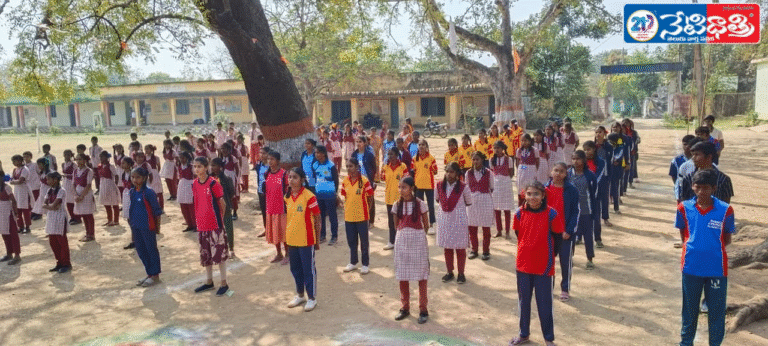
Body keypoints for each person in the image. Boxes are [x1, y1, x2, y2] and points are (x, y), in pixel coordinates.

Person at [676, 169, 734, 346]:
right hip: (691, 267)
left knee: (716, 311)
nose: (701, 191)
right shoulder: (683, 208)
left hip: (716, 269)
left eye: (706, 188)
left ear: (714, 188)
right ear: (692, 187)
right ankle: (686, 343)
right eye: (697, 187)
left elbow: (727, 239)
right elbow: (684, 234)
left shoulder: (726, 210)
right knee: (689, 310)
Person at [510, 181, 563, 346]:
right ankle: (523, 333)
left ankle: (548, 338)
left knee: (544, 303)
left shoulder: (551, 214)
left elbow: (558, 237)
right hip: (523, 265)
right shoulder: (519, 213)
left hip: (544, 267)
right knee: (523, 301)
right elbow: (519, 233)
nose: (532, 198)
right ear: (524, 195)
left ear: (543, 196)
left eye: (536, 194)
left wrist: (549, 256)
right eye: (529, 194)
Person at [392, 176, 431, 324]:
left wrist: (417, 236)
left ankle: (423, 309)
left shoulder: (421, 204)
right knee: (403, 275)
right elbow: (396, 225)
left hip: (418, 241)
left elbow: (426, 225)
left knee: (421, 276)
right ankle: (405, 307)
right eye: (399, 187)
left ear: (412, 188)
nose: (401, 190)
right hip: (402, 241)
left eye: (404, 187)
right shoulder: (396, 205)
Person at [191, 157, 231, 296]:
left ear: (206, 167)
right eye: (195, 166)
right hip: (202, 226)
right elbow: (196, 203)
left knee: (219, 255)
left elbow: (223, 204)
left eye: (199, 166)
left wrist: (219, 219)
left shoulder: (213, 183)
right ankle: (209, 282)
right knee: (206, 255)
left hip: (215, 225)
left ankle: (224, 283)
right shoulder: (195, 183)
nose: (197, 169)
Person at [284, 167, 321, 312]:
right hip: (292, 238)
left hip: (306, 239)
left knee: (308, 269)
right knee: (295, 269)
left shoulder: (309, 196)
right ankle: (300, 295)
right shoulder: (287, 197)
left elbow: (317, 219)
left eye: (294, 177)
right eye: (290, 177)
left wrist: (317, 240)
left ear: (302, 180)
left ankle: (312, 298)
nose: (291, 180)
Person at [546, 162, 579, 302]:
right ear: (551, 172)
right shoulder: (544, 189)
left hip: (565, 233)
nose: (558, 174)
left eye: (561, 171)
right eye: (556, 170)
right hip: (549, 232)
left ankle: (565, 288)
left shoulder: (571, 190)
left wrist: (569, 230)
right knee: (548, 262)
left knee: (565, 262)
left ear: (566, 174)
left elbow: (575, 212)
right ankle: (548, 287)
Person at [124, 167, 163, 287]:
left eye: (138, 177)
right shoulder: (132, 192)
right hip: (136, 226)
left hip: (147, 226)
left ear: (144, 178)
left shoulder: (149, 193)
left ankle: (155, 275)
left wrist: (157, 228)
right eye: (132, 177)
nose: (135, 180)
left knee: (151, 250)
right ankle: (149, 273)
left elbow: (157, 212)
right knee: (141, 250)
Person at [435, 162, 472, 284]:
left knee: (460, 248)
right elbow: (437, 199)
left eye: (452, 172)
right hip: (444, 221)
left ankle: (461, 273)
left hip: (459, 221)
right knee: (447, 248)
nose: (449, 174)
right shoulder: (439, 185)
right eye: (447, 171)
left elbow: (468, 202)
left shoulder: (463, 187)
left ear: (457, 173)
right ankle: (449, 272)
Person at [340, 158, 374, 274]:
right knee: (351, 241)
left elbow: (370, 197)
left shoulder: (364, 181)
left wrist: (366, 210)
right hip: (349, 216)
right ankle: (353, 262)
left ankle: (365, 264)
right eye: (347, 166)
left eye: (351, 166)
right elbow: (345, 196)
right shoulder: (345, 181)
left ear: (357, 167)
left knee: (364, 242)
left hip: (362, 217)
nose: (349, 168)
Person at [568, 150, 597, 268]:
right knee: (571, 235)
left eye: (578, 159)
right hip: (571, 211)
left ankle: (590, 259)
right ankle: (570, 257)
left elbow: (594, 193)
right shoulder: (568, 174)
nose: (575, 161)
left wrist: (594, 212)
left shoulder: (590, 175)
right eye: (573, 158)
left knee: (588, 235)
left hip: (586, 210)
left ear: (584, 160)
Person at [465, 152, 494, 260]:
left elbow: (492, 187)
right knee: (472, 227)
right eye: (473, 159)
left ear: (482, 160)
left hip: (485, 201)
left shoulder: (489, 173)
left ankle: (486, 251)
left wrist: (481, 193)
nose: (475, 162)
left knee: (486, 228)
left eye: (477, 159)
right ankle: (474, 250)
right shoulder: (468, 173)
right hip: (472, 202)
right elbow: (466, 188)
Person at [263, 151, 289, 265]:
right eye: (268, 159)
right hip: (271, 207)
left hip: (282, 208)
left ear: (278, 161)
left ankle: (288, 254)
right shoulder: (267, 174)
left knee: (284, 232)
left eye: (272, 159)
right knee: (274, 232)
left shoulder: (284, 174)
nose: (270, 161)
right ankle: (278, 253)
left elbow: (288, 191)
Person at [583, 141, 609, 247]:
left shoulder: (601, 162)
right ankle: (579, 237)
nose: (586, 152)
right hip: (582, 194)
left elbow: (598, 177)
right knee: (581, 216)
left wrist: (588, 184)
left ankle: (597, 238)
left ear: (594, 149)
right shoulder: (581, 161)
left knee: (595, 217)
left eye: (588, 149)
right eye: (584, 150)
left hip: (595, 194)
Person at [311, 146, 339, 245]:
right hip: (319, 195)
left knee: (332, 216)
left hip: (330, 195)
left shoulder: (331, 165)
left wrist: (334, 193)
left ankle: (334, 236)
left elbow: (336, 181)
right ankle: (322, 236)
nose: (316, 155)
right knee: (320, 216)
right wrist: (313, 191)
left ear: (323, 153)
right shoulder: (314, 165)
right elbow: (313, 179)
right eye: (316, 153)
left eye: (318, 152)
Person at [211, 158, 237, 259]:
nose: (212, 167)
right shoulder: (210, 178)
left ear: (220, 167)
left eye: (214, 165)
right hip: (213, 207)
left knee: (228, 227)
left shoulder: (226, 178)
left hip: (224, 206)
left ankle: (231, 248)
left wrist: (225, 203)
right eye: (211, 165)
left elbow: (231, 192)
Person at [490, 140, 515, 239]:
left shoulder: (508, 159)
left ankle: (507, 231)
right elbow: (492, 172)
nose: (496, 150)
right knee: (496, 209)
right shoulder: (491, 159)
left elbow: (511, 172)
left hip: (505, 184)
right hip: (496, 184)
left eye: (498, 148)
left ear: (502, 149)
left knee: (506, 209)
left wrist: (505, 179)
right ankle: (499, 230)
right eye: (495, 148)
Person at [351, 136, 378, 225]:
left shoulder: (369, 155)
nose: (358, 143)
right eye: (357, 141)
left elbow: (374, 168)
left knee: (369, 199)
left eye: (360, 142)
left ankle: (371, 221)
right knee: (359, 199)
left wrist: (372, 180)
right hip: (357, 180)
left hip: (367, 180)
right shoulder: (354, 155)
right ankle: (362, 219)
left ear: (365, 143)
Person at [412, 140, 438, 234]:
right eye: (419, 145)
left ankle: (431, 224)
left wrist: (430, 169)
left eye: (423, 144)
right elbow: (413, 171)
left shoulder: (431, 158)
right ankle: (421, 223)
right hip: (418, 185)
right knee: (419, 205)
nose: (421, 146)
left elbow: (436, 171)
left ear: (426, 146)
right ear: (417, 147)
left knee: (431, 205)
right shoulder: (415, 159)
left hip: (429, 185)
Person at [0, 160, 21, 265]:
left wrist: (16, 212)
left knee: (13, 233)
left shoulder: (6, 187)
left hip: (8, 211)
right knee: (4, 233)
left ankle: (17, 255)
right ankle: (9, 253)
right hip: (0, 213)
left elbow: (13, 200)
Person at [73, 153, 96, 242]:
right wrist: (75, 195)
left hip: (86, 194)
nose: (78, 161)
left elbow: (89, 185)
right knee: (83, 214)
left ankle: (91, 234)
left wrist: (82, 196)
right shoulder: (75, 171)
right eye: (77, 159)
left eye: (80, 159)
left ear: (85, 160)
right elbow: (73, 184)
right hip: (78, 193)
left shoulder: (88, 171)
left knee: (88, 214)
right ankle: (87, 233)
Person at [96, 151, 121, 227]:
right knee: (106, 203)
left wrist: (115, 184)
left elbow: (116, 175)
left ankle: (116, 220)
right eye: (100, 157)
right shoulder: (100, 166)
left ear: (107, 158)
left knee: (114, 203)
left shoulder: (111, 166)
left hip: (109, 184)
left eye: (103, 157)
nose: (101, 159)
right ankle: (109, 220)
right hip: (103, 185)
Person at [607, 133, 628, 214]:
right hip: (608, 170)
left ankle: (616, 208)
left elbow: (619, 155)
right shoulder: (607, 147)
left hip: (616, 170)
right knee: (607, 190)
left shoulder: (620, 146)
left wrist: (613, 160)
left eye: (611, 141)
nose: (610, 142)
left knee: (615, 189)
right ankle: (607, 208)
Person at [516, 134, 540, 206]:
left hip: (531, 170)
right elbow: (517, 161)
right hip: (521, 170)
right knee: (521, 189)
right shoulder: (519, 150)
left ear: (529, 141)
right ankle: (521, 206)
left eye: (525, 140)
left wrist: (533, 170)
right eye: (522, 141)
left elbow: (537, 162)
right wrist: (520, 168)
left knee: (530, 187)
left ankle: (530, 205)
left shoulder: (534, 150)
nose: (523, 142)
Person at [177, 153, 196, 232]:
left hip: (189, 185)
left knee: (191, 205)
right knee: (183, 205)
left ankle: (195, 225)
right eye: (180, 158)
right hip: (182, 185)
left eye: (183, 158)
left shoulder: (191, 167)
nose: (182, 160)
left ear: (188, 158)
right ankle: (189, 224)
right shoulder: (179, 166)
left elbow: (195, 177)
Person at [61, 150, 81, 226]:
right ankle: (72, 216)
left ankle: (77, 217)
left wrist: (67, 175)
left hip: (72, 183)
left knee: (73, 200)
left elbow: (76, 174)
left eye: (68, 154)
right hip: (65, 183)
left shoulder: (74, 164)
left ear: (71, 155)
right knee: (67, 201)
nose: (67, 156)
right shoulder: (63, 164)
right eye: (65, 154)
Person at [31, 157, 52, 223]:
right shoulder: (43, 173)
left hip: (48, 193)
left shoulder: (49, 173)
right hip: (43, 193)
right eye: (38, 165)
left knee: (50, 209)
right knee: (45, 210)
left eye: (40, 164)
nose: (39, 166)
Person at [144, 145, 165, 211]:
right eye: (145, 149)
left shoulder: (156, 158)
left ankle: (161, 207)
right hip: (147, 174)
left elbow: (158, 166)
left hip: (154, 173)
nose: (146, 151)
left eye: (148, 149)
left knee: (158, 191)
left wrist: (156, 173)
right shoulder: (144, 158)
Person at [23, 151, 42, 221]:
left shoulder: (34, 164)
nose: (26, 158)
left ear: (31, 157)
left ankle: (38, 213)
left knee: (36, 199)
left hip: (35, 184)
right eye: (24, 157)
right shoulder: (23, 166)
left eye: (27, 156)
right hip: (28, 185)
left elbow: (39, 172)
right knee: (30, 200)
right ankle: (32, 213)